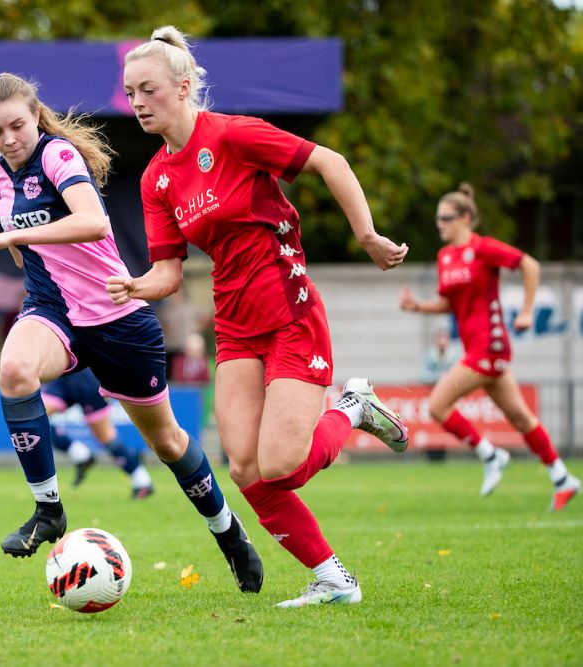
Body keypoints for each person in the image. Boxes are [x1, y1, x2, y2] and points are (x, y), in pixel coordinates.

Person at [110, 26, 410, 607]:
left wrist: (366, 234)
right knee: (246, 467)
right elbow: (168, 273)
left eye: (148, 89)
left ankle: (352, 406)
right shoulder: (156, 178)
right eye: (130, 93)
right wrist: (132, 288)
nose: (138, 102)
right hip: (236, 325)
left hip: (291, 313)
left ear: (183, 85)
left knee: (282, 464)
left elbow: (331, 161)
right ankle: (334, 580)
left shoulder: (234, 135)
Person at [0, 72, 263, 593]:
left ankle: (228, 531)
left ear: (35, 116)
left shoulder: (57, 157)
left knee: (167, 442)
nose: (8, 140)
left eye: (16, 126)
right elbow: (26, 240)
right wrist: (21, 250)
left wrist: (9, 234)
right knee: (14, 369)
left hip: (117, 314)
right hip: (54, 310)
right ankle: (48, 508)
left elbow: (94, 222)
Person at [399, 183, 580, 511]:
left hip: (490, 347)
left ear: (465, 217)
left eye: (446, 217)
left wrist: (526, 310)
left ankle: (491, 454)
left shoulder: (483, 249)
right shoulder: (445, 257)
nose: (439, 223)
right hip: (475, 350)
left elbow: (530, 265)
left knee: (437, 405)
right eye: (438, 218)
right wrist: (418, 307)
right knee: (522, 420)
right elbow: (448, 303)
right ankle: (562, 477)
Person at [41, 367, 155, 499]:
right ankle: (81, 455)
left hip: (88, 376)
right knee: (35, 417)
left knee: (106, 437)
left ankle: (142, 481)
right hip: (64, 375)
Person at [157, 284, 211, 372]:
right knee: (171, 373)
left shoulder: (191, 308)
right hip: (170, 348)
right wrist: (166, 331)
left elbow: (206, 317)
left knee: (188, 372)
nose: (175, 296)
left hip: (186, 348)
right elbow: (160, 325)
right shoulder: (165, 311)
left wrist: (197, 328)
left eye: (178, 293)